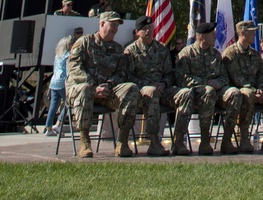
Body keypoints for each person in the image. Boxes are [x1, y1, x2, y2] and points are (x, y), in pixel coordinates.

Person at [66, 11, 140, 160]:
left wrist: (108, 86)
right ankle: (84, 141)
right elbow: (74, 67)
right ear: (101, 24)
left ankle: (122, 141)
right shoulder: (84, 42)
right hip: (84, 91)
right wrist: (94, 87)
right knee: (85, 88)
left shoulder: (118, 49)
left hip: (107, 93)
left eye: (117, 26)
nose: (115, 29)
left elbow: (121, 73)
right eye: (112, 25)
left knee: (131, 88)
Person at [173, 20, 242, 155]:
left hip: (215, 90)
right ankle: (204, 141)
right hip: (195, 91)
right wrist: (206, 83)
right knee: (208, 91)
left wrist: (219, 83)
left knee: (234, 93)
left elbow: (224, 76)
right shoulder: (186, 53)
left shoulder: (215, 54)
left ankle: (227, 140)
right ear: (201, 37)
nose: (215, 36)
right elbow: (182, 78)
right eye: (212, 34)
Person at [124, 15, 177, 156]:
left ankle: (179, 141)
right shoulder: (130, 51)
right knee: (152, 92)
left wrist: (164, 83)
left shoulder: (161, 49)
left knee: (184, 95)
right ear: (138, 32)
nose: (148, 31)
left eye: (150, 28)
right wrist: (149, 84)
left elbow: (170, 73)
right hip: (142, 92)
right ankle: (154, 141)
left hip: (162, 89)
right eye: (144, 29)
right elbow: (128, 77)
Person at [223, 19, 263, 153]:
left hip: (257, 91)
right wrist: (254, 90)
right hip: (238, 91)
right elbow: (236, 78)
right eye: (252, 32)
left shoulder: (254, 54)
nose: (254, 35)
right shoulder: (231, 53)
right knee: (248, 93)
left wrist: (262, 87)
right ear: (242, 33)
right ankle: (244, 137)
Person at [44, 31, 77, 134]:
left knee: (53, 105)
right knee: (68, 103)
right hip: (63, 82)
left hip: (54, 82)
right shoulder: (68, 56)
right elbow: (68, 70)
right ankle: (58, 124)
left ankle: (48, 127)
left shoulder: (57, 55)